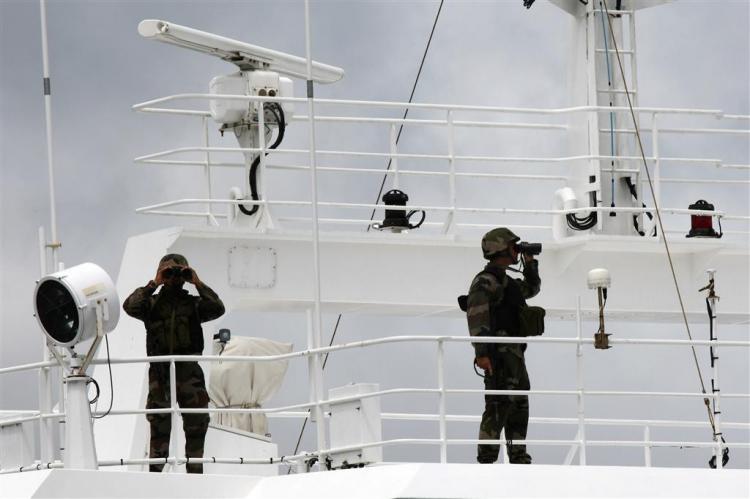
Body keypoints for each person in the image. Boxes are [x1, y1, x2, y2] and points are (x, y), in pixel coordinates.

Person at [123, 254, 225, 473]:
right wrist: (154, 283)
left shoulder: (194, 304)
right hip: (160, 374)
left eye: (178, 272)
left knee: (196, 421)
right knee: (159, 423)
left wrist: (197, 282)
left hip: (188, 371)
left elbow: (217, 308)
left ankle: (195, 472)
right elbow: (129, 306)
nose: (173, 277)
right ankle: (156, 474)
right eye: (168, 273)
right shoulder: (150, 304)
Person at [466, 228, 541, 464]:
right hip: (498, 354)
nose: (515, 250)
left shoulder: (507, 282)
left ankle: (517, 455)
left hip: (515, 354)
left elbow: (532, 288)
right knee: (498, 404)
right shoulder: (485, 282)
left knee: (519, 404)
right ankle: (487, 458)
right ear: (501, 248)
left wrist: (530, 263)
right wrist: (482, 354)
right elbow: (477, 317)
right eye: (513, 246)